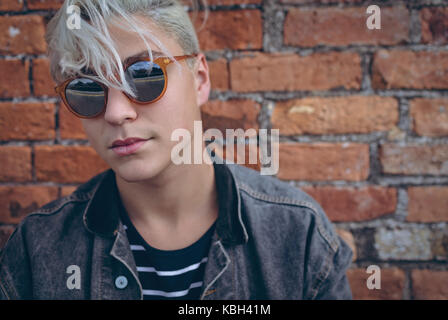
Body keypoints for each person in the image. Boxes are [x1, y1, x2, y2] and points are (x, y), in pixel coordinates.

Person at [0, 0, 353, 300]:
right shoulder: (36, 249)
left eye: (144, 75)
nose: (116, 112)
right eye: (87, 90)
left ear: (199, 79)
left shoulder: (299, 237)